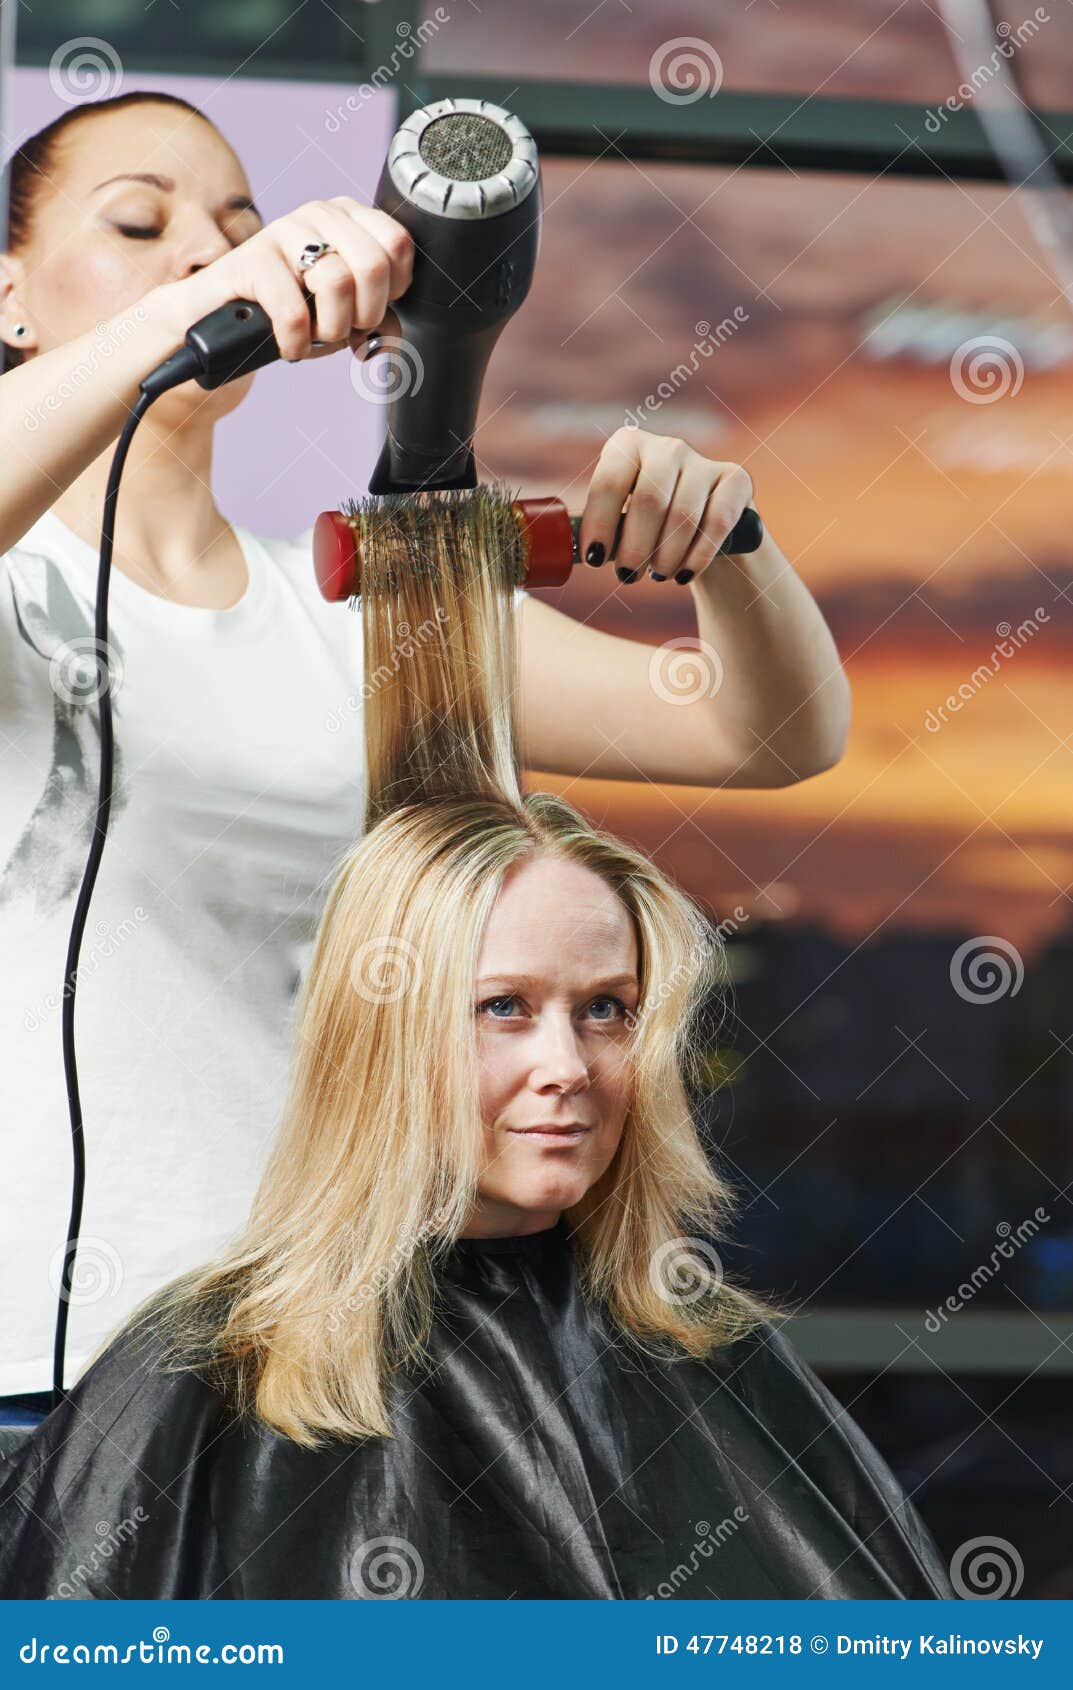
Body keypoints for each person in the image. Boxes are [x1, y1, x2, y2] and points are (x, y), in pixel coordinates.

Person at [0, 89, 851, 1416]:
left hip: (313, 1375)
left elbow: (774, 731)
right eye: (139, 222)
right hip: (36, 1380)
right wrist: (195, 302)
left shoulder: (367, 608)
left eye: (237, 221)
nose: (205, 249)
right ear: (10, 297)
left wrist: (733, 549)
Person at [0, 497, 945, 1601]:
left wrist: (726, 536)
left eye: (606, 1009)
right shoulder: (191, 1388)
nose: (568, 1066)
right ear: (386, 1030)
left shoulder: (704, 1358)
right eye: (501, 1007)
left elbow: (775, 730)